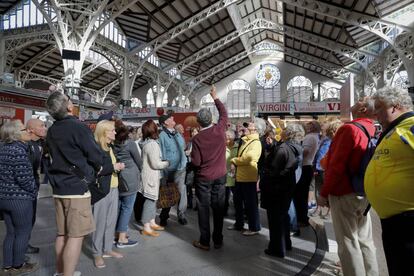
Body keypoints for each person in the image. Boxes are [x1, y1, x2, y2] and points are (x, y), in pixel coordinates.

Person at [318, 97, 379, 276]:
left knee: (348, 243)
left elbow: (336, 166)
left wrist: (324, 192)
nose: (356, 100)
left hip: (343, 193)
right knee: (365, 240)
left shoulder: (348, 129)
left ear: (363, 110)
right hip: (362, 191)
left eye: (361, 100)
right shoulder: (371, 128)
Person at [46, 91, 104, 276]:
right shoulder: (79, 127)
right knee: (76, 236)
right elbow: (95, 155)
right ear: (69, 107)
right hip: (76, 189)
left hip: (58, 188)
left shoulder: (53, 129)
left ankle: (60, 272)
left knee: (62, 234)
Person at [365, 86, 414, 276]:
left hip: (408, 222)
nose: (374, 112)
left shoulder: (410, 127)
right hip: (394, 222)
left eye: (379, 107)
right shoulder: (394, 130)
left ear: (395, 107)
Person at [191, 85, 228, 250]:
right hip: (220, 176)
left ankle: (205, 241)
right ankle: (218, 240)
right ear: (211, 119)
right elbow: (224, 114)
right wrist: (215, 97)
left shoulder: (197, 139)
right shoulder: (220, 130)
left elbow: (197, 162)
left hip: (204, 178)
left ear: (198, 122)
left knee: (204, 209)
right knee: (218, 208)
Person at [0, 120, 38, 275]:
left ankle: (7, 266)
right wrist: (34, 191)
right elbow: (24, 179)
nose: (28, 131)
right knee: (22, 232)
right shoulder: (19, 151)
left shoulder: (2, 149)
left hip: (3, 198)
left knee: (11, 233)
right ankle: (18, 266)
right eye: (24, 129)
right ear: (16, 134)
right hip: (19, 200)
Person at [260, 123, 304, 258]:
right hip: (286, 186)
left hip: (276, 188)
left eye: (285, 130)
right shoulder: (296, 147)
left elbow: (274, 170)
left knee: (275, 220)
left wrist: (265, 174)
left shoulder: (284, 148)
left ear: (289, 133)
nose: (282, 131)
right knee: (283, 217)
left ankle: (277, 248)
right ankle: (286, 243)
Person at [91, 120, 125, 269]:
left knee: (111, 221)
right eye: (112, 130)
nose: (115, 132)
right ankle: (97, 253)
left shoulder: (111, 147)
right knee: (99, 223)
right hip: (101, 191)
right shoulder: (96, 148)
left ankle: (107, 249)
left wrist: (118, 167)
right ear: (104, 132)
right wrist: (114, 167)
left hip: (114, 188)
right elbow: (94, 170)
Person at [229, 120, 262, 236]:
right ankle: (239, 224)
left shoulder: (256, 142)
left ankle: (254, 227)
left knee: (251, 204)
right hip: (240, 177)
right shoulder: (246, 140)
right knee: (238, 202)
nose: (246, 128)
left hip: (248, 178)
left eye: (249, 126)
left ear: (255, 130)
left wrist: (234, 161)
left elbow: (248, 158)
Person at [113, 120, 142, 248]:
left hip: (119, 178)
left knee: (119, 207)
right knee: (127, 208)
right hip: (131, 178)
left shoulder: (112, 145)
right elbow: (139, 161)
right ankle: (122, 238)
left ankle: (116, 234)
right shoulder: (130, 144)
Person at [139, 120, 169, 237]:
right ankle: (146, 226)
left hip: (151, 177)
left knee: (153, 200)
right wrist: (167, 163)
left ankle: (151, 221)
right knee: (150, 201)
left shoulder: (148, 143)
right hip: (151, 177)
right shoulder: (152, 145)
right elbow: (156, 164)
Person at [158, 113, 188, 226]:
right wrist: (163, 171)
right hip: (169, 170)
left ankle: (181, 214)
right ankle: (164, 216)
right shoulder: (162, 136)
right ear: (166, 122)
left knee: (181, 191)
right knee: (168, 193)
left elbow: (183, 147)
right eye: (170, 118)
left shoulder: (177, 134)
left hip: (181, 169)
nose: (173, 118)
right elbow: (161, 154)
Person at [25, 118, 47, 254]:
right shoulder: (25, 145)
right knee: (24, 221)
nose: (45, 128)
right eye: (41, 126)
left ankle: (25, 244)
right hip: (25, 190)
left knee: (31, 219)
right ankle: (20, 251)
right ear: (31, 129)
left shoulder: (40, 143)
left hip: (34, 187)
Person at [294, 121, 320, 226]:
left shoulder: (309, 137)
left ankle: (301, 219)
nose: (306, 127)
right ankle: (302, 218)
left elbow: (305, 152)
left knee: (300, 195)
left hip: (304, 166)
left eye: (308, 125)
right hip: (308, 166)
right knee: (302, 194)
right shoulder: (315, 137)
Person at [224, 129, 238, 216]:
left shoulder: (238, 146)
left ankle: (238, 212)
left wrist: (234, 162)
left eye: (226, 136)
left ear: (230, 137)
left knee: (236, 196)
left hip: (235, 175)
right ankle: (224, 211)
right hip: (224, 174)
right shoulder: (222, 146)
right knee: (225, 196)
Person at [185, 127, 199, 209]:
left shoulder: (201, 142)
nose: (194, 133)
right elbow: (185, 151)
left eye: (195, 131)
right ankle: (189, 203)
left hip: (197, 166)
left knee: (197, 186)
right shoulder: (189, 142)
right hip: (190, 166)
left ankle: (197, 204)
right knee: (189, 185)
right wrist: (186, 152)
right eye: (192, 132)